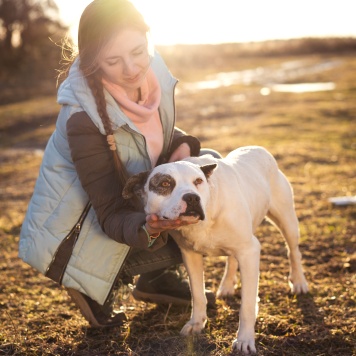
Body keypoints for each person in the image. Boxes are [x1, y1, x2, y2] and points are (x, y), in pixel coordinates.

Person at [19, 0, 221, 328]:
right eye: (113, 60)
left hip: (121, 206)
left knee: (209, 167)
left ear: (147, 39)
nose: (131, 68)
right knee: (176, 214)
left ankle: (157, 277)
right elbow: (110, 211)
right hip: (78, 235)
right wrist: (149, 228)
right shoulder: (84, 119)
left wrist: (183, 145)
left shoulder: (152, 78)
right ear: (91, 61)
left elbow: (147, 141)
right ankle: (91, 279)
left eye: (138, 51)